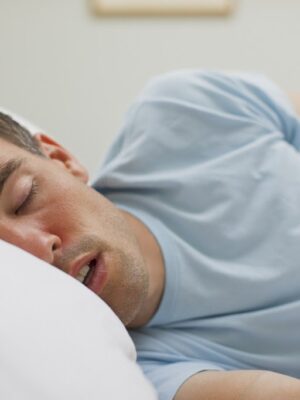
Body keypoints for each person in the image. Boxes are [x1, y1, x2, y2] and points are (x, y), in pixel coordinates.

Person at [1, 69, 300, 400]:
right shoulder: (141, 375)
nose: (41, 250)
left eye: (24, 197)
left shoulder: (186, 110)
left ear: (62, 160)